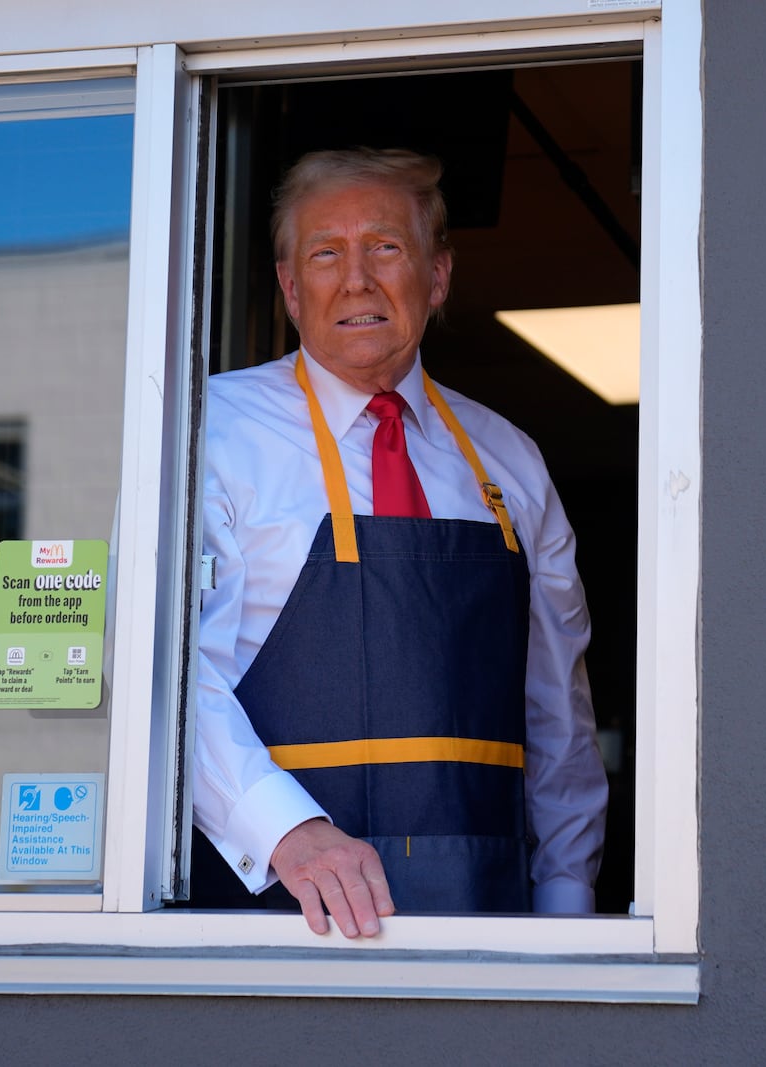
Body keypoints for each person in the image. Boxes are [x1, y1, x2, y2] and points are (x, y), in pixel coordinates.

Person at [189, 147, 607, 938]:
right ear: (288, 287)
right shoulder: (210, 432)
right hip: (267, 919)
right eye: (325, 253)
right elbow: (165, 675)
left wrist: (566, 902)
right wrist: (286, 830)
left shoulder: (509, 458)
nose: (356, 279)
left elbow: (557, 710)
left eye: (385, 247)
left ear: (438, 277)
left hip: (485, 923)